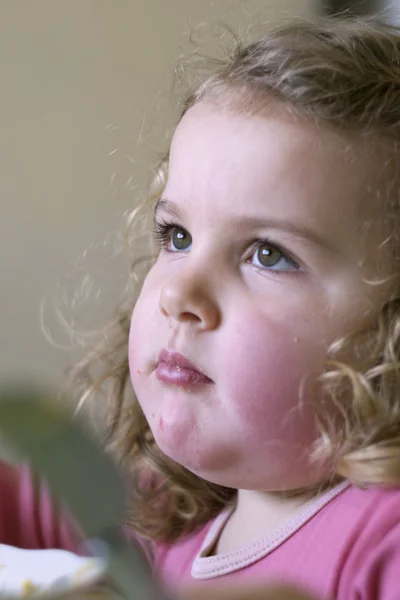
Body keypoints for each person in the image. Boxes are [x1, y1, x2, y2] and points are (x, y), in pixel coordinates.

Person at [1, 13, 400, 600]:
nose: (178, 295)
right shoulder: (167, 513)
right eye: (177, 238)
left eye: (268, 254)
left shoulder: (382, 537)